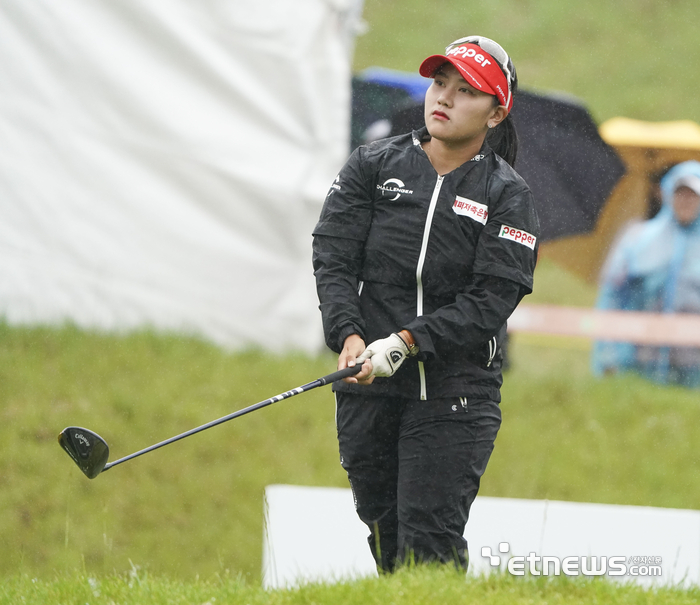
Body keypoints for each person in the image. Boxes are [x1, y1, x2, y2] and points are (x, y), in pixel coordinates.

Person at [312, 36, 539, 572]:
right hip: (369, 384)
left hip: (456, 392)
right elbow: (334, 258)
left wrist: (408, 341)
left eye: (466, 92)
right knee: (385, 535)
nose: (444, 98)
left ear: (496, 112)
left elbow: (490, 300)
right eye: (440, 84)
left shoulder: (508, 195)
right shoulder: (372, 164)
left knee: (428, 541)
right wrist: (349, 337)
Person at [592, 160, 700, 387]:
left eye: (693, 195)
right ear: (668, 194)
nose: (686, 201)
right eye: (680, 194)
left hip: (693, 369)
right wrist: (608, 353)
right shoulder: (637, 239)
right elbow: (612, 296)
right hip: (638, 363)